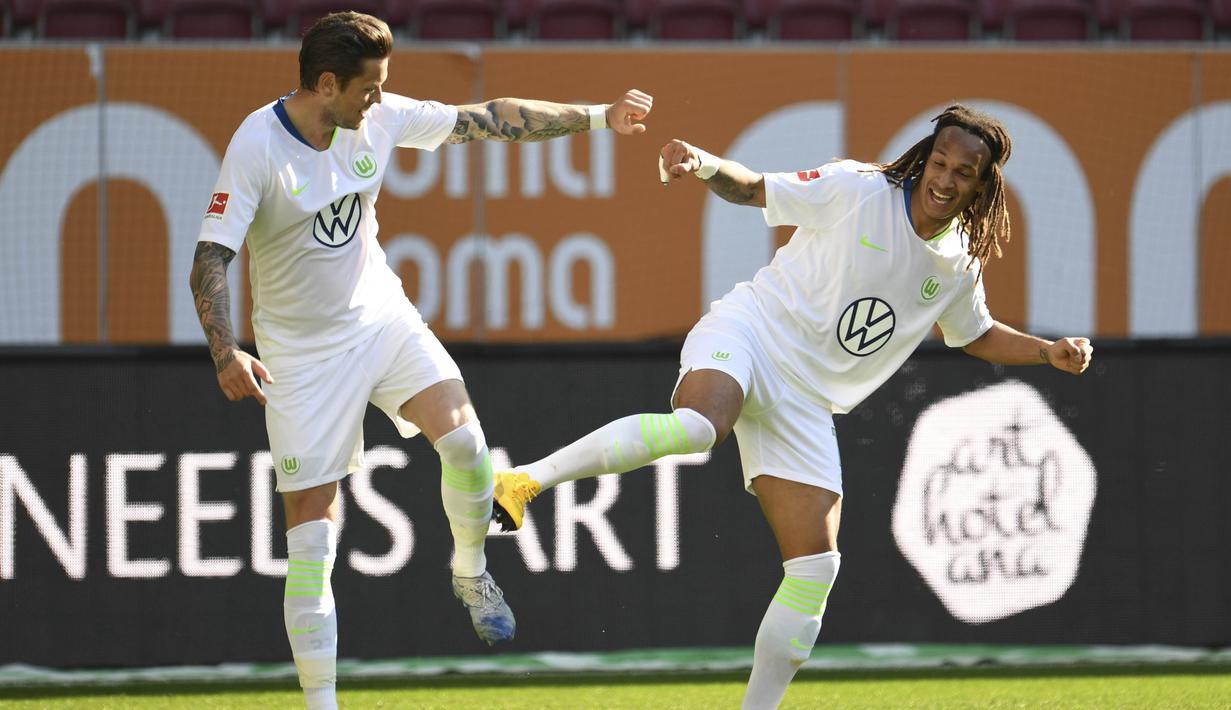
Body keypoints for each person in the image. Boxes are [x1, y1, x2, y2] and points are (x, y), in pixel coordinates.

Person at [491, 104, 1093, 709]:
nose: (945, 179)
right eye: (940, 162)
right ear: (924, 157)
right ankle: (523, 482)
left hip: (805, 400)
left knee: (815, 571)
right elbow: (754, 187)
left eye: (964, 173)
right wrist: (701, 164)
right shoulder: (857, 189)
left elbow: (974, 333)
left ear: (983, 185)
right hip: (751, 332)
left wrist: (1047, 352)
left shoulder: (960, 261)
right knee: (700, 428)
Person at [187, 12, 652, 710]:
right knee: (311, 541)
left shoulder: (378, 116)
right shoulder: (257, 146)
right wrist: (226, 351)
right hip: (300, 356)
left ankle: (470, 569)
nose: (379, 98)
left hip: (380, 318)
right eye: (369, 87)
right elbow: (210, 257)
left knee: (466, 443)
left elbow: (486, 119)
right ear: (325, 83)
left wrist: (598, 117)